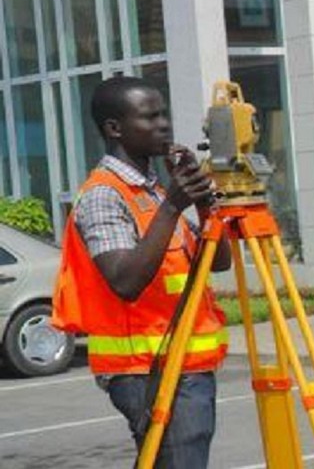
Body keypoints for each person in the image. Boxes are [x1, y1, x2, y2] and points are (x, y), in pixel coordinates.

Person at [52, 76, 231, 468]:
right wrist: (172, 205)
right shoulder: (105, 194)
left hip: (183, 365)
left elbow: (218, 262)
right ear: (115, 129)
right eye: (149, 118)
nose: (164, 125)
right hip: (147, 369)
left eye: (164, 114)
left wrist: (202, 204)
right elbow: (125, 281)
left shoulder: (153, 190)